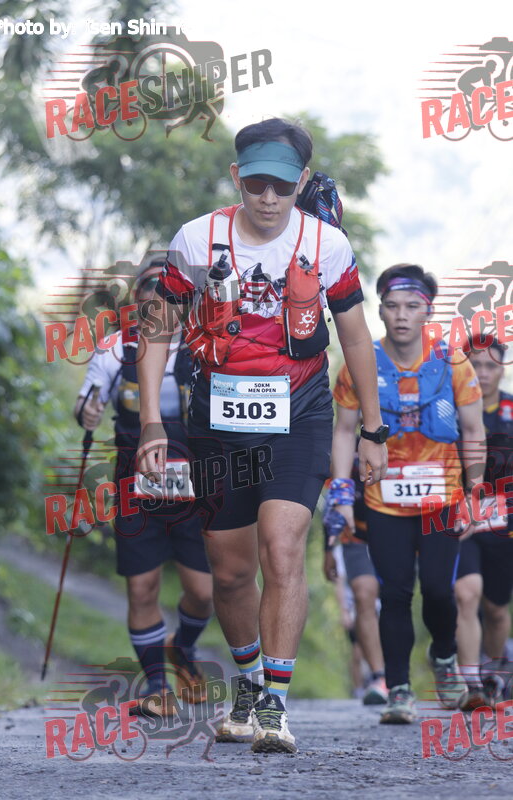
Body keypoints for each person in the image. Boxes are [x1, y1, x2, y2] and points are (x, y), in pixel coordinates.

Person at [136, 118, 387, 753]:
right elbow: (156, 329)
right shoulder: (198, 239)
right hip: (216, 422)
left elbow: (356, 337)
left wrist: (374, 429)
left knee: (282, 547)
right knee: (228, 572)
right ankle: (248, 682)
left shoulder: (326, 244)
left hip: (299, 415)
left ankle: (274, 704)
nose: (268, 198)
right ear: (236, 178)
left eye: (281, 185)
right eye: (256, 185)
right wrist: (150, 423)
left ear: (300, 182)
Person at [330, 263, 486, 724]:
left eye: (412, 306)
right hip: (384, 500)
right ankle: (399, 689)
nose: (401, 315)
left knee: (439, 590)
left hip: (442, 499)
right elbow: (343, 431)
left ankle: (444, 656)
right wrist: (341, 492)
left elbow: (474, 429)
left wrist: (475, 490)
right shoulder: (359, 363)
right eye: (392, 306)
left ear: (428, 312)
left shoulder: (453, 363)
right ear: (379, 311)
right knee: (395, 593)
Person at [74, 268, 213, 716]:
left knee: (205, 592)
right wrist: (87, 411)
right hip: (136, 480)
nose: (158, 312)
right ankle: (157, 686)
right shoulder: (116, 348)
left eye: (167, 303)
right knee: (142, 587)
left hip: (196, 482)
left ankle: (183, 647)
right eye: (149, 303)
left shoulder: (202, 346)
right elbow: (87, 401)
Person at [455, 337, 513, 708]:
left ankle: (494, 673)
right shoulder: (449, 409)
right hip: (461, 522)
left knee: (495, 608)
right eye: (475, 365)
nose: (483, 373)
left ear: (502, 369)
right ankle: (470, 683)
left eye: (491, 366)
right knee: (466, 593)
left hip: (504, 524)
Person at [323, 464, 387, 705]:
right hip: (355, 537)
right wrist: (328, 549)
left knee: (396, 599)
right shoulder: (345, 452)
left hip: (395, 530)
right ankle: (378, 677)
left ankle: (399, 674)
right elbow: (332, 501)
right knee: (363, 594)